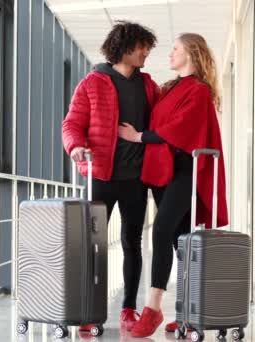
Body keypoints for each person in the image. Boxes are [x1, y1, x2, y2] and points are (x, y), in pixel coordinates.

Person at [117, 33, 229, 338]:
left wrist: (137, 136)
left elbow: (176, 130)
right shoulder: (170, 88)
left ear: (190, 53)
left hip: (185, 171)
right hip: (166, 171)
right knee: (181, 241)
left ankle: (153, 308)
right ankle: (187, 313)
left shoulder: (199, 91)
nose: (170, 54)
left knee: (163, 230)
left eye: (175, 49)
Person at [61, 21, 159, 332]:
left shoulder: (148, 86)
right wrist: (75, 146)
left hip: (135, 180)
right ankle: (90, 309)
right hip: (100, 177)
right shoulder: (92, 83)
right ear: (126, 48)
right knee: (94, 245)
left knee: (132, 242)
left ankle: (128, 308)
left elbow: (161, 123)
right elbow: (71, 124)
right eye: (142, 47)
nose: (146, 53)